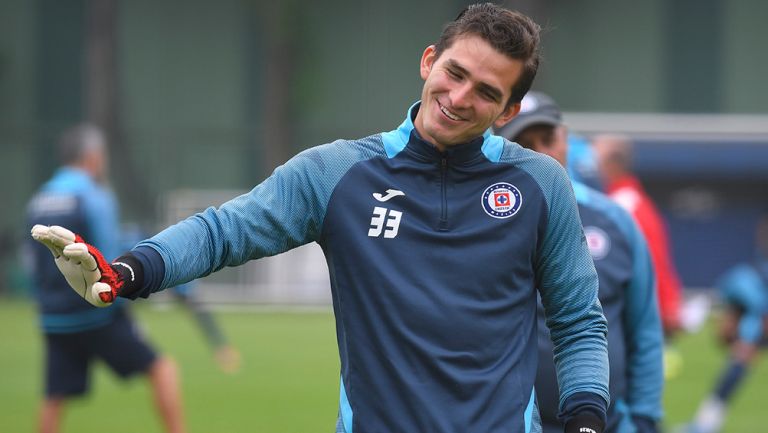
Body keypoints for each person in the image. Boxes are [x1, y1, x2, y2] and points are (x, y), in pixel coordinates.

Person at [31, 4, 610, 432]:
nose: (459, 97)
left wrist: (586, 417)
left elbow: (579, 320)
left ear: (508, 111)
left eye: (486, 92)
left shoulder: (540, 185)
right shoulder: (338, 173)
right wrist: (131, 271)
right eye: (455, 73)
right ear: (429, 61)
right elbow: (224, 230)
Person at [496, 91, 664, 433]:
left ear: (565, 137)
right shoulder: (486, 221)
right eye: (525, 143)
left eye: (547, 138)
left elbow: (643, 327)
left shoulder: (616, 220)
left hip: (607, 422)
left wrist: (643, 418)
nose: (540, 152)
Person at [26, 124, 187, 433]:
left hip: (53, 318)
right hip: (97, 315)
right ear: (92, 157)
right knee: (163, 370)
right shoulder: (94, 195)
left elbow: (32, 262)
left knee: (53, 398)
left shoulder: (38, 199)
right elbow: (109, 257)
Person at [592, 133, 683, 337]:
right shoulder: (627, 201)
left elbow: (652, 260)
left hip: (638, 311)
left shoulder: (620, 206)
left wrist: (666, 305)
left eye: (593, 160)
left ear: (612, 165)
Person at [686, 216, 768, 433]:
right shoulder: (747, 276)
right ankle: (705, 424)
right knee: (736, 368)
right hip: (753, 325)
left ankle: (704, 424)